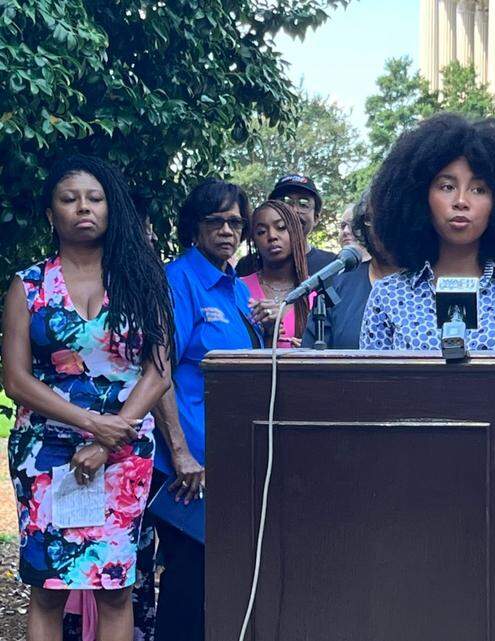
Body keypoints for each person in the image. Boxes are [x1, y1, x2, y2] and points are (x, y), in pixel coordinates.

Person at [2, 155, 174, 641]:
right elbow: (15, 379)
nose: (84, 208)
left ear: (111, 208)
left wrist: (108, 436)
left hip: (123, 452)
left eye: (95, 198)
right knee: (48, 586)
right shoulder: (28, 285)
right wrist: (90, 422)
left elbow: (159, 369)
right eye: (69, 198)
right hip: (47, 453)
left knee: (114, 586)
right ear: (50, 213)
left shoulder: (142, 281)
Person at [152, 179, 262, 641]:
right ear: (194, 227)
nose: (226, 230)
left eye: (235, 222)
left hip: (228, 463)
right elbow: (157, 372)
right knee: (187, 584)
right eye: (214, 221)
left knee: (220, 583)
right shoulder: (180, 280)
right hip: (188, 469)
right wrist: (180, 453)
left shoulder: (235, 288)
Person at [359, 113, 495, 351]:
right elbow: (373, 386)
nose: (461, 201)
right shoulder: (387, 296)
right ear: (420, 196)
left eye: (479, 189)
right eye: (447, 187)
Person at [302, 194, 397, 349]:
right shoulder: (336, 286)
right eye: (371, 218)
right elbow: (309, 361)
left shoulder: (429, 283)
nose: (383, 226)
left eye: (393, 217)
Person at [240, 200, 312, 348]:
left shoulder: (314, 292)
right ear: (254, 240)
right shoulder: (239, 288)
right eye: (261, 232)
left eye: (281, 227)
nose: (272, 236)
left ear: (296, 232)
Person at [235, 174, 337, 276]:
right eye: (285, 202)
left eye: (303, 204)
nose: (293, 210)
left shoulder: (332, 265)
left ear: (316, 218)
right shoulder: (247, 266)